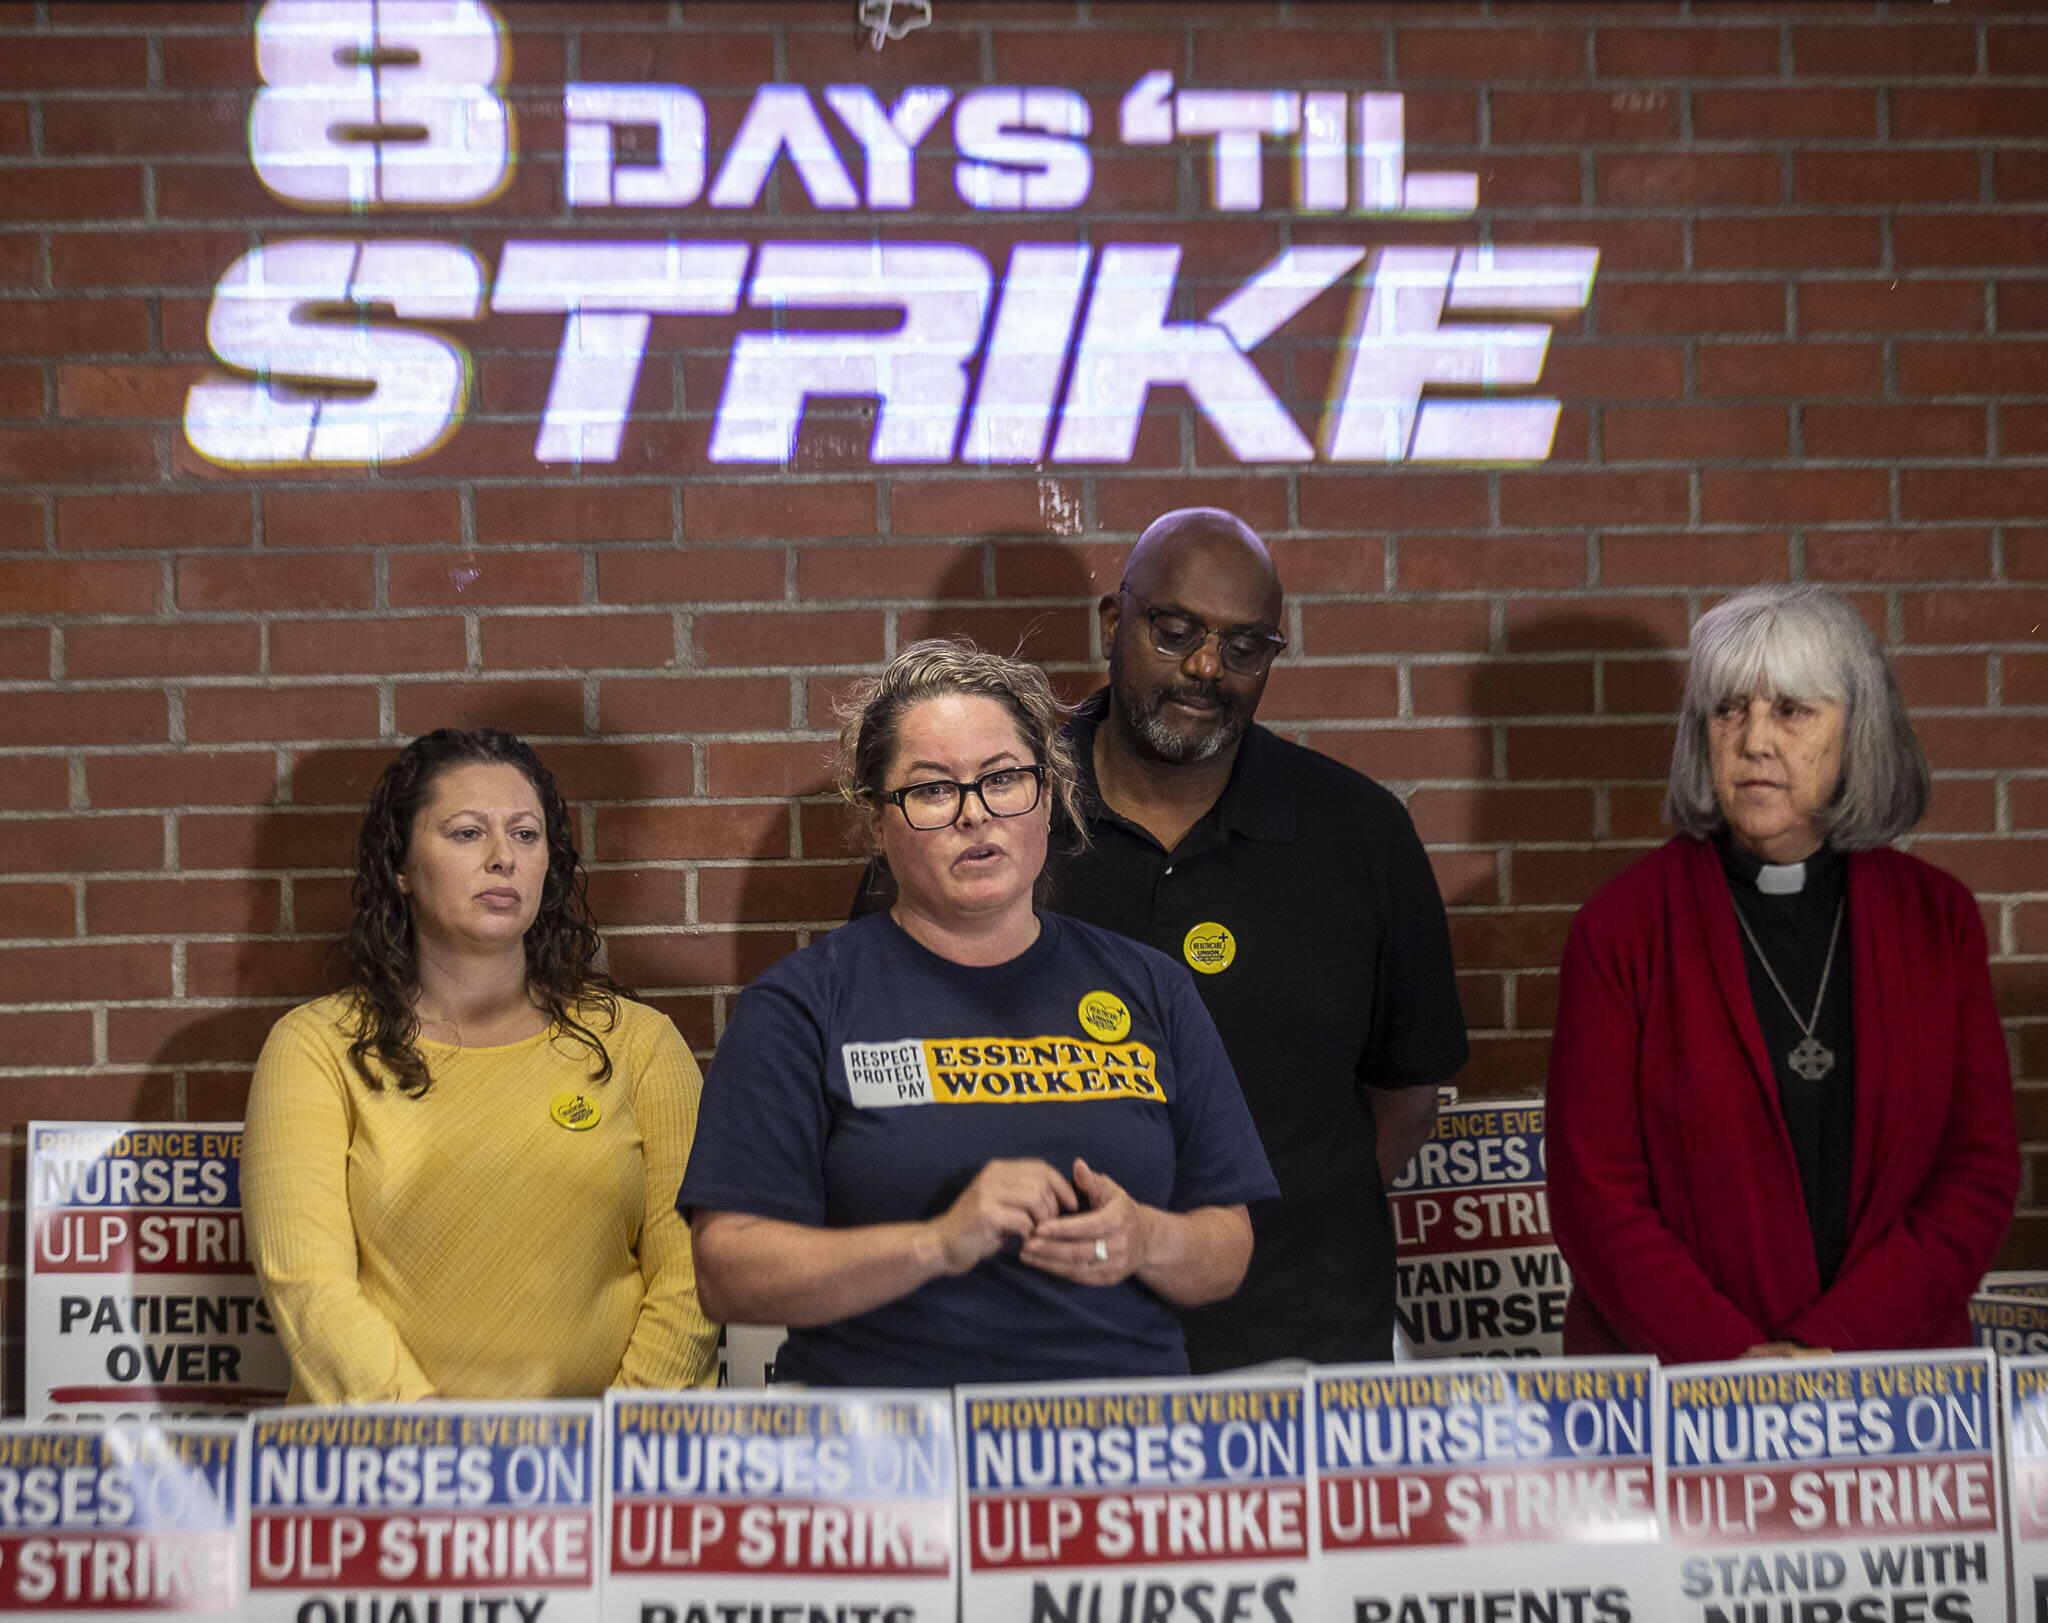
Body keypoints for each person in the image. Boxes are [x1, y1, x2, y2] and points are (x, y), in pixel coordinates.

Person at [854, 509, 1469, 1371]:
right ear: (1115, 623)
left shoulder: (1359, 834)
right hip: (1027, 1343)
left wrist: (1255, 1217)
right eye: (1175, 630)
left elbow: (1405, 1094)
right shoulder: (983, 816)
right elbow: (875, 1062)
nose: (1207, 668)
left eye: (1246, 646)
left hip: (1296, 1337)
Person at [679, 641, 1278, 1387]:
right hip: (892, 1454)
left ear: (1048, 796)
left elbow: (1228, 1245)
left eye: (1003, 779)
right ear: (875, 821)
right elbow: (729, 1271)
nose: (975, 814)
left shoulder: (1150, 988)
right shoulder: (800, 1005)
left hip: (1117, 1448)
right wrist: (937, 1243)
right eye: (933, 790)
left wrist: (1145, 1238)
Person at [1547, 585, 2018, 1362]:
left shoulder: (1939, 921)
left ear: (1856, 731)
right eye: (1729, 709)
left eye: (1792, 711)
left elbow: (1976, 1171)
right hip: (1678, 1383)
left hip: (1889, 1380)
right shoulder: (1622, 930)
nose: (1755, 739)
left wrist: (1827, 1343)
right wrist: (1741, 1366)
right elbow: (1594, 1195)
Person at [242, 728, 718, 1401]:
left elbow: (693, 1274)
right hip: (381, 1476)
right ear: (401, 866)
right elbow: (307, 1287)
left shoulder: (639, 1044)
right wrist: (444, 1450)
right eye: (467, 833)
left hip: (603, 1474)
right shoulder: (317, 1047)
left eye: (525, 835)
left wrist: (616, 1439)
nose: (503, 858)